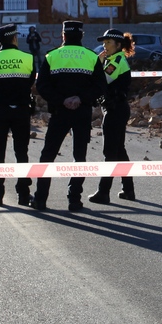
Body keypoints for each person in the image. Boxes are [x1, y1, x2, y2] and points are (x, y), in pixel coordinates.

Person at [33, 20, 104, 212]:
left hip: (59, 112)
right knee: (79, 156)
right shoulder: (91, 56)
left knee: (48, 155)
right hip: (82, 112)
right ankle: (74, 200)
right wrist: (80, 98)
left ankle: (40, 199)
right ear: (81, 35)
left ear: (63, 36)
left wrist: (62, 100)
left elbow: (42, 86)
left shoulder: (52, 55)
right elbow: (100, 85)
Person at [0, 24, 37, 207]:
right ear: (14, 38)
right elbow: (30, 81)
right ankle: (23, 195)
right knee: (22, 153)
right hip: (21, 110)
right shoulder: (28, 58)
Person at [88, 28, 136, 205]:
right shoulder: (111, 59)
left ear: (118, 45)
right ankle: (128, 189)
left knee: (110, 152)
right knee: (119, 150)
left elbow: (103, 80)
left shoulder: (116, 60)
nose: (104, 45)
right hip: (114, 108)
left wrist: (97, 63)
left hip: (116, 110)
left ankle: (103, 192)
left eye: (108, 42)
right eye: (103, 42)